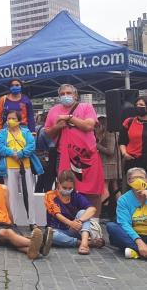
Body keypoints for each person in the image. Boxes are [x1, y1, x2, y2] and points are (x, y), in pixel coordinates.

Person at [44, 84, 104, 217]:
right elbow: (47, 133)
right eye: (63, 94)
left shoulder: (86, 107)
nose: (66, 96)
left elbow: (89, 126)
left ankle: (94, 222)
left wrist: (69, 118)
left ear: (76, 95)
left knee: (93, 191)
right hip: (64, 157)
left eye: (69, 93)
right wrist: (58, 126)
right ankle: (69, 221)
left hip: (87, 156)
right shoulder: (53, 110)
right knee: (66, 189)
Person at [0, 166, 50, 260]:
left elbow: (8, 209)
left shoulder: (3, 188)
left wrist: (12, 224)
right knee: (9, 234)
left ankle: (35, 250)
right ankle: (41, 244)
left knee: (15, 239)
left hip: (5, 222)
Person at [0, 110, 43, 227]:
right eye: (9, 118)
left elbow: (31, 146)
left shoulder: (26, 132)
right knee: (11, 196)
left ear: (19, 121)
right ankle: (13, 221)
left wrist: (20, 154)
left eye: (13, 119)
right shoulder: (2, 133)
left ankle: (32, 222)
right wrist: (12, 153)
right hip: (9, 168)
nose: (10, 121)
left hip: (25, 167)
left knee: (29, 195)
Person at [44, 170, 104, 255]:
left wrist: (79, 221)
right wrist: (71, 223)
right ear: (58, 184)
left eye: (70, 188)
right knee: (52, 235)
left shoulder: (76, 196)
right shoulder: (50, 195)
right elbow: (56, 214)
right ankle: (86, 243)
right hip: (58, 230)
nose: (67, 190)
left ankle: (84, 243)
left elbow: (92, 209)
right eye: (64, 188)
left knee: (83, 212)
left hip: (75, 229)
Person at [106, 167, 147, 259]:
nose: (139, 180)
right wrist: (139, 241)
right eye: (135, 178)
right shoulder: (124, 199)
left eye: (141, 177)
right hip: (134, 235)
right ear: (129, 182)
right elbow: (124, 224)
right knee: (112, 227)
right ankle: (140, 249)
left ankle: (136, 252)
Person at [119, 97, 147, 174]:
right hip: (132, 161)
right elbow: (122, 141)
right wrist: (124, 154)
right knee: (133, 185)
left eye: (141, 104)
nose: (138, 106)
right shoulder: (128, 122)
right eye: (136, 105)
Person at [95, 115, 118, 201]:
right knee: (114, 186)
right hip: (110, 163)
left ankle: (104, 207)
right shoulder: (104, 133)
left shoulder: (109, 133)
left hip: (108, 163)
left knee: (105, 186)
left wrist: (96, 145)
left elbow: (110, 151)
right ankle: (117, 207)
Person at [34, 113, 57, 193]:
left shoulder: (35, 128)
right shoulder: (45, 130)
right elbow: (52, 146)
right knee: (48, 182)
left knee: (40, 180)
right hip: (47, 158)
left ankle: (37, 199)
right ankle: (47, 199)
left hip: (37, 158)